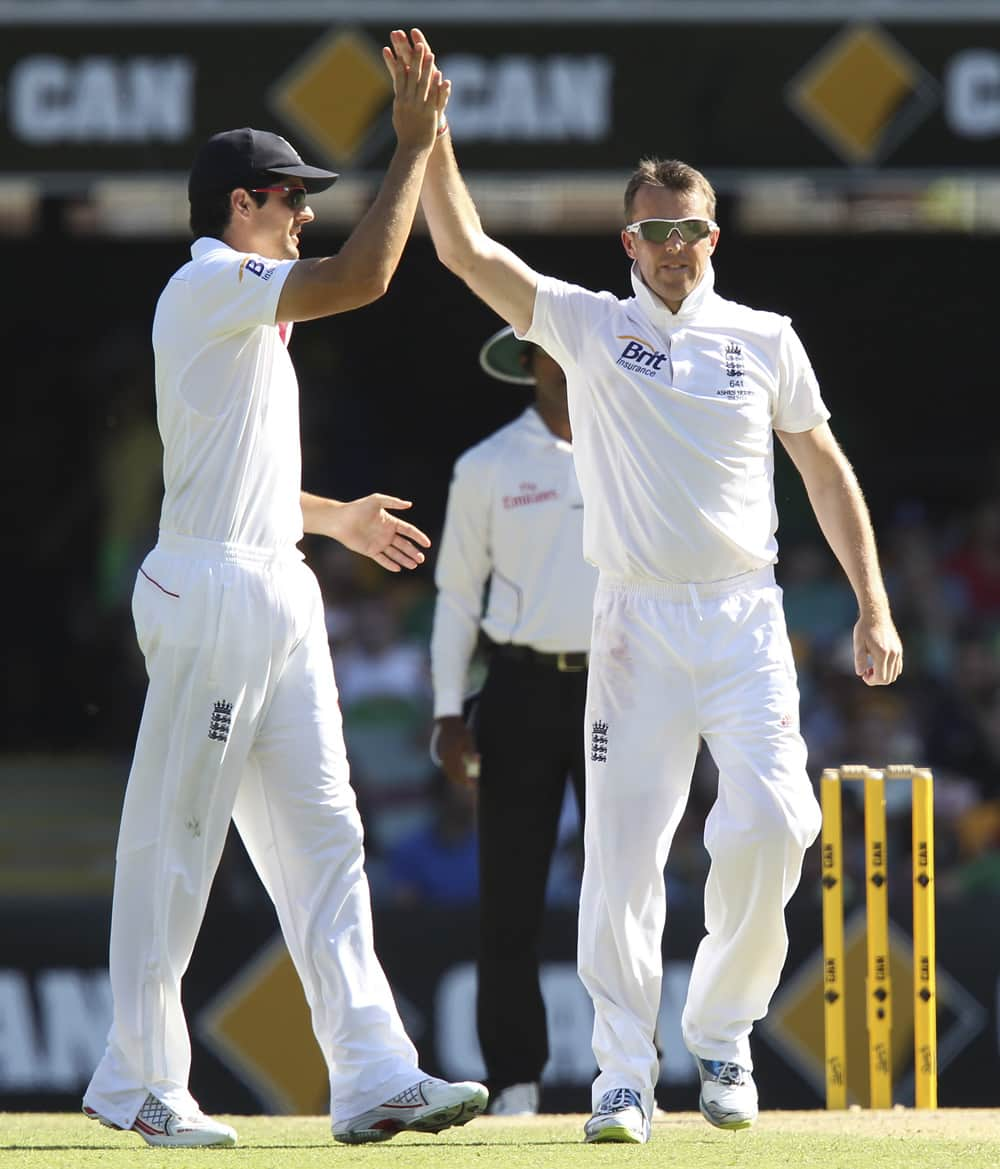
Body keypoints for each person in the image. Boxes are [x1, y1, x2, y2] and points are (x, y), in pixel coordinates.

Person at [390, 26, 904, 1145]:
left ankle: (720, 1034)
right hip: (631, 626)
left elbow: (824, 466)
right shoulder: (589, 323)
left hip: (742, 615)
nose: (675, 247)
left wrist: (871, 601)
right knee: (621, 858)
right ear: (629, 237)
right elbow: (468, 253)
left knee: (773, 821)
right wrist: (427, 144)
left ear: (713, 233)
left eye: (691, 230)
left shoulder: (765, 338)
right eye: (655, 231)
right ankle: (623, 1073)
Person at [82, 35, 488, 1149]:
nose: (306, 212)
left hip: (273, 578)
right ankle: (137, 1079)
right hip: (213, 587)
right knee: (178, 841)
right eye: (293, 198)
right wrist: (410, 148)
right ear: (243, 203)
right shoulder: (211, 280)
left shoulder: (245, 310)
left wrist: (333, 516)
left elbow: (234, 464)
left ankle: (372, 1073)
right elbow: (365, 275)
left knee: (324, 838)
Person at [430, 326, 598, 1115]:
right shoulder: (488, 465)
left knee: (626, 887)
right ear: (527, 364)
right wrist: (444, 710)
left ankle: (629, 1068)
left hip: (620, 689)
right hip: (520, 686)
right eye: (549, 352)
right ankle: (516, 1080)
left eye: (576, 349)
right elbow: (458, 595)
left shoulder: (638, 445)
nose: (564, 366)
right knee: (510, 893)